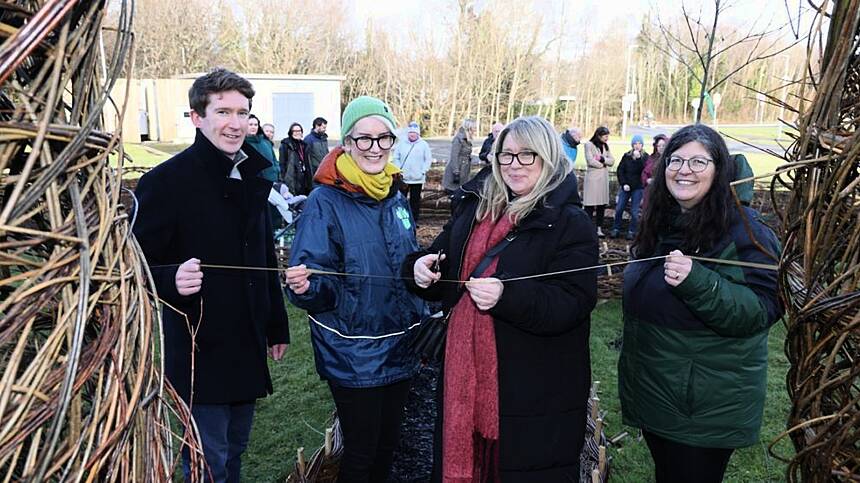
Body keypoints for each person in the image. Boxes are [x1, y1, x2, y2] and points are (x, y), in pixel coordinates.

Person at [405, 116, 599, 482]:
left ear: (547, 157)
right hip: (465, 373)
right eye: (506, 156)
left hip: (535, 388)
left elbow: (572, 301)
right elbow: (443, 265)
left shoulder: (570, 223)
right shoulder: (476, 207)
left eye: (527, 155)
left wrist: (507, 297)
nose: (514, 165)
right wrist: (418, 268)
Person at [132, 68, 289, 483]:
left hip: (247, 340)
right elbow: (131, 263)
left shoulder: (252, 174)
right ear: (197, 117)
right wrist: (169, 278)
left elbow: (264, 258)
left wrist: (276, 325)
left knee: (235, 449)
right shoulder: (165, 182)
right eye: (223, 112)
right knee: (208, 457)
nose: (235, 123)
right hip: (200, 345)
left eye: (242, 112)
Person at [618, 124, 782, 483]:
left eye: (698, 161)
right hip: (659, 396)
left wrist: (699, 283)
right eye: (676, 160)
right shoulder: (662, 222)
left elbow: (762, 308)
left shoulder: (744, 229)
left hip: (702, 406)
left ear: (719, 169)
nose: (684, 170)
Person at [285, 96, 425, 483]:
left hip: (399, 346)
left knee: (386, 449)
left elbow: (404, 265)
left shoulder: (395, 196)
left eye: (384, 138)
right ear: (346, 143)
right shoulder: (324, 201)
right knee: (361, 456)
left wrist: (423, 274)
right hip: (355, 352)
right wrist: (306, 287)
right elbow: (316, 284)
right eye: (364, 139)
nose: (375, 148)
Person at [393, 121, 433, 222]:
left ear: (418, 134)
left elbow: (428, 159)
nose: (412, 134)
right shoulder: (401, 144)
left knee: (415, 201)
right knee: (401, 200)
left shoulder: (423, 145)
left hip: (417, 178)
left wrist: (423, 171)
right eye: (410, 132)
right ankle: (401, 219)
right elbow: (396, 157)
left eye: (414, 133)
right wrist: (399, 169)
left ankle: (414, 220)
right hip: (404, 178)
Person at [611, 134, 648, 239]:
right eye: (635, 143)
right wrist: (624, 183)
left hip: (638, 187)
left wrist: (639, 159)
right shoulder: (627, 156)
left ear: (642, 145)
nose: (637, 145)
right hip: (626, 186)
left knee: (634, 211)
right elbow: (620, 170)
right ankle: (616, 228)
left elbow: (645, 171)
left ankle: (632, 231)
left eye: (639, 143)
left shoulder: (645, 157)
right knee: (619, 208)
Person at [582, 126, 615, 237]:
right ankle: (586, 228)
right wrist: (603, 164)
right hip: (592, 179)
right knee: (590, 205)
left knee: (601, 205)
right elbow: (590, 160)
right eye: (605, 136)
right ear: (599, 135)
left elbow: (612, 161)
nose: (607, 138)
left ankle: (598, 229)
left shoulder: (605, 146)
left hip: (603, 180)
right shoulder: (589, 145)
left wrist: (602, 159)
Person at [442, 118, 477, 193]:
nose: (475, 129)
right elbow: (454, 156)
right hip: (456, 172)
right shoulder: (458, 139)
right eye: (474, 127)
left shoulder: (467, 139)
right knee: (454, 195)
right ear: (469, 127)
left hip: (464, 171)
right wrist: (456, 172)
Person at [280, 122, 313, 195]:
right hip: (292, 178)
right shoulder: (286, 145)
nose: (297, 133)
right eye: (295, 131)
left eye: (299, 131)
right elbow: (282, 164)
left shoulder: (304, 145)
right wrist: (283, 180)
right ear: (290, 133)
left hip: (304, 178)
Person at [244, 114, 279, 182]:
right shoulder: (242, 144)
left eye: (255, 125)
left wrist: (276, 170)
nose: (253, 127)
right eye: (250, 124)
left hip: (272, 181)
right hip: (254, 184)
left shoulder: (266, 142)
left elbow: (274, 160)